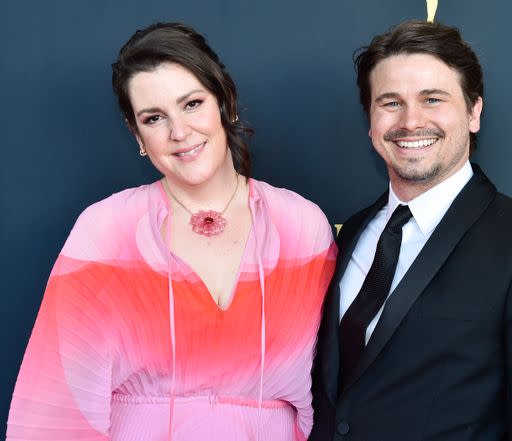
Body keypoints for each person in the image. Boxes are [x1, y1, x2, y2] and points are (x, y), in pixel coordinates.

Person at [7, 22, 336, 441]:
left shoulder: (302, 227)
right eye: (154, 117)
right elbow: (56, 411)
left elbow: (331, 395)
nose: (179, 132)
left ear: (226, 103)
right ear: (137, 134)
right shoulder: (106, 231)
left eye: (192, 104)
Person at [310, 20, 512, 441]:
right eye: (390, 102)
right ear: (370, 121)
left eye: (432, 99)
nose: (411, 121)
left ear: (474, 111)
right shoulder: (351, 232)